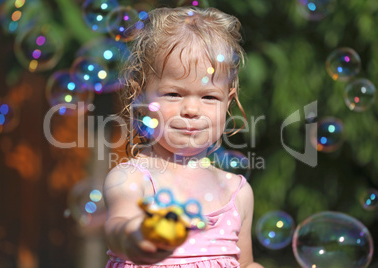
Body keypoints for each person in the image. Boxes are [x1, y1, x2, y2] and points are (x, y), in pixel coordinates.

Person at [103, 6, 263, 268]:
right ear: (140, 97)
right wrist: (136, 237)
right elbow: (117, 228)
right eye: (174, 94)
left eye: (209, 97)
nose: (191, 110)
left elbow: (245, 264)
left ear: (228, 101)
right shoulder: (131, 180)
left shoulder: (238, 193)